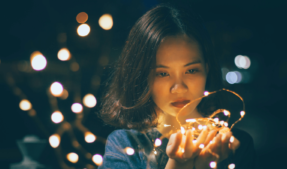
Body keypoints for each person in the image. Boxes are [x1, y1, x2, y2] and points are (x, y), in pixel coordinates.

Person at [98, 4, 255, 169]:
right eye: (163, 73)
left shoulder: (235, 146)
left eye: (192, 70)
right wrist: (178, 164)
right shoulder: (125, 145)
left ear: (207, 69)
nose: (179, 88)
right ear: (143, 76)